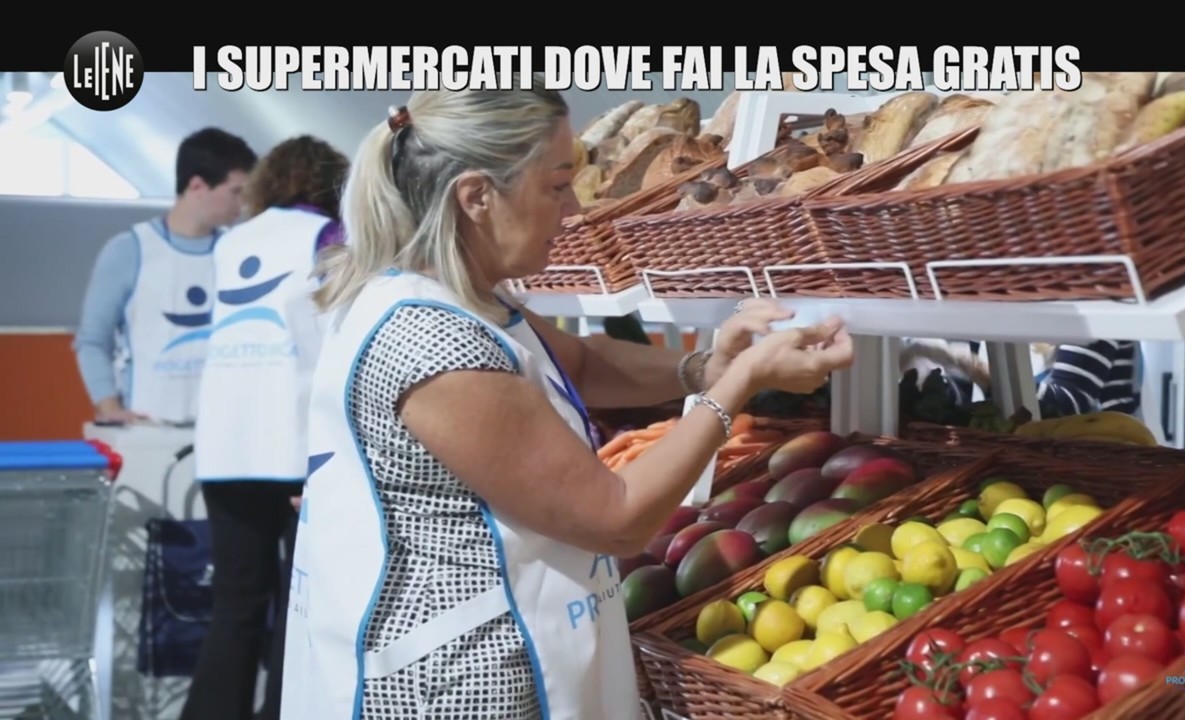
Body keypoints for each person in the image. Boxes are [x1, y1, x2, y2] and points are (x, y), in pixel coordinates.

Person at [279, 78, 854, 720]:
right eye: (556, 186)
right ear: (476, 197)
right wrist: (736, 385)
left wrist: (704, 365)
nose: (575, 208)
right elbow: (617, 518)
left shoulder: (450, 296)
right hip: (460, 689)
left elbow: (576, 362)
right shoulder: (432, 341)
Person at [185, 136, 349, 720]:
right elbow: (339, 330)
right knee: (300, 607)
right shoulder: (328, 235)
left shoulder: (230, 241)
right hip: (295, 447)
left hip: (224, 448)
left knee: (235, 605)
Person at [72, 128, 258, 425]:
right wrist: (109, 408)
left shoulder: (237, 253)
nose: (243, 203)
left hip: (222, 428)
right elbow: (93, 341)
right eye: (236, 192)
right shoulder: (129, 250)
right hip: (147, 426)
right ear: (197, 186)